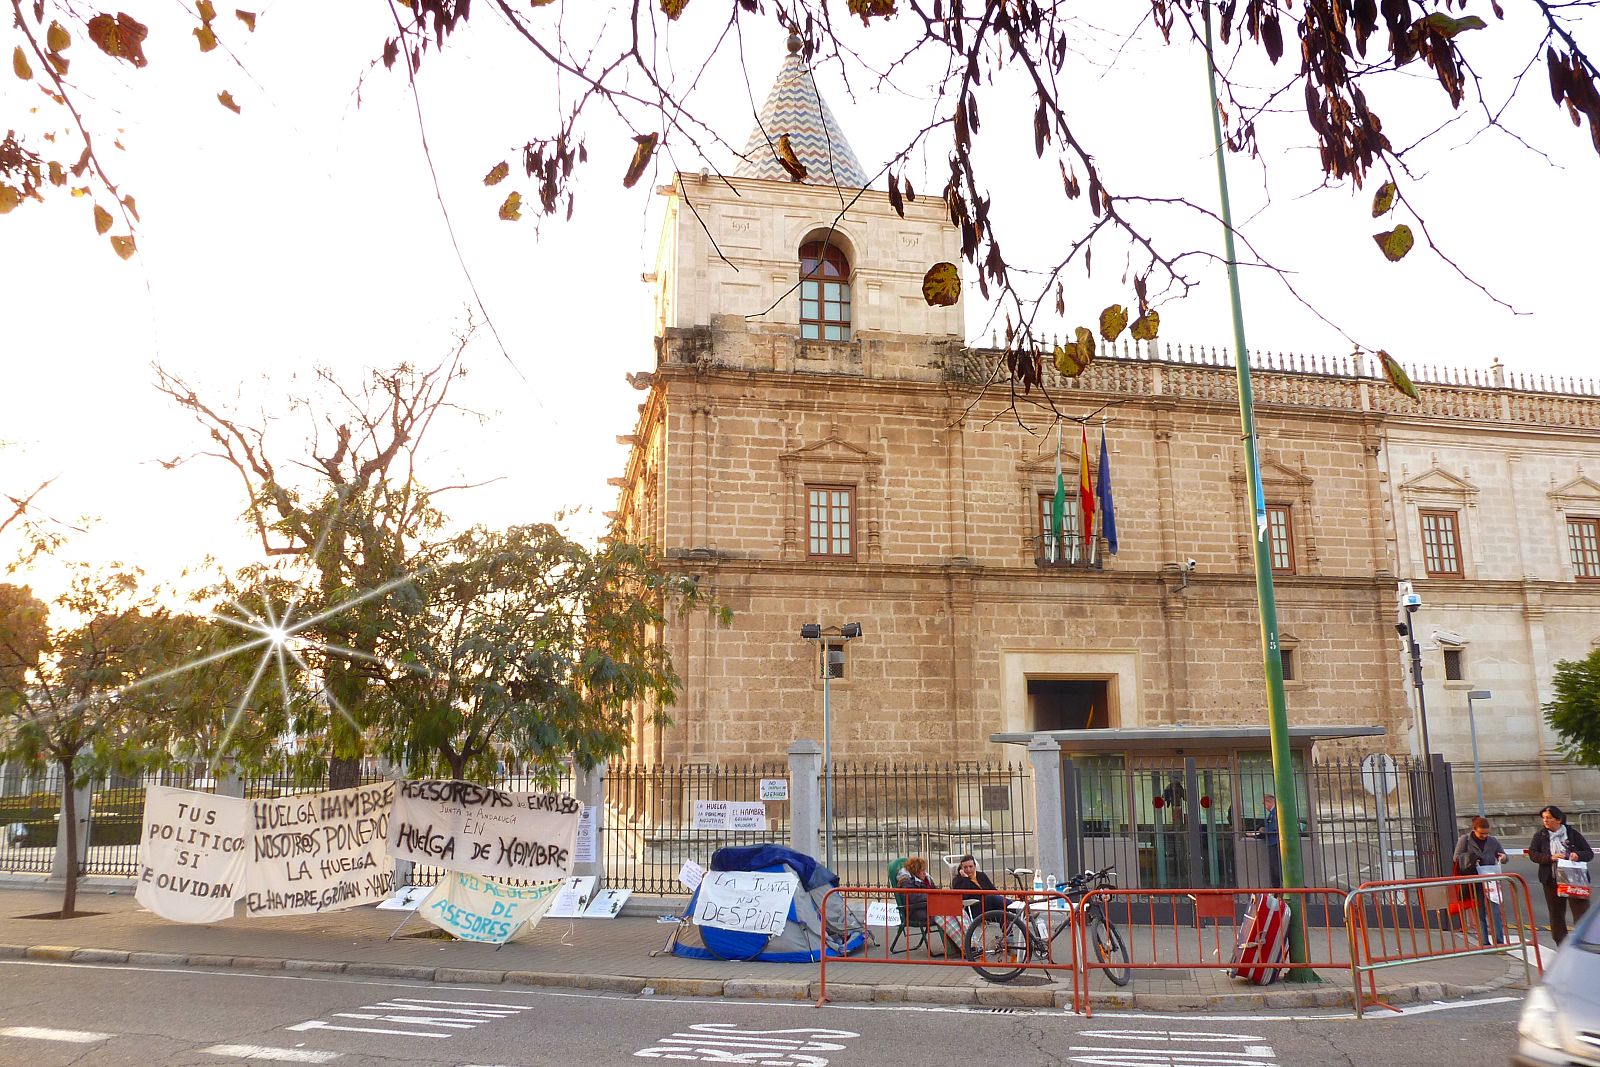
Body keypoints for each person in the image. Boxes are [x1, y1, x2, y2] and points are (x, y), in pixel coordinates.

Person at [1528, 804, 1594, 944]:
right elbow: (1533, 854)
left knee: (1581, 912)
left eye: (1549, 818)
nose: (1545, 821)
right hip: (1551, 879)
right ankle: (1561, 943)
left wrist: (1577, 855)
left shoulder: (1572, 834)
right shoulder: (1540, 835)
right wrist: (1550, 858)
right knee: (1556, 913)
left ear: (1559, 820)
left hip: (1574, 879)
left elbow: (1589, 853)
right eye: (1544, 818)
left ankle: (1584, 941)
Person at [1453, 816, 1509, 945]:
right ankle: (1484, 942)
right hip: (1475, 879)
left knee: (1495, 912)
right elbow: (1456, 857)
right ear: (1474, 830)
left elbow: (1504, 856)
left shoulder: (1493, 841)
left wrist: (1504, 857)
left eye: (1487, 833)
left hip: (1491, 879)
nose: (1484, 836)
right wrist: (1471, 859)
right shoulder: (1465, 840)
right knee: (1480, 911)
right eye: (1481, 833)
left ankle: (1499, 942)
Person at [1247, 794, 1282, 888]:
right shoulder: (1273, 812)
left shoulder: (1276, 812)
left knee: (1276, 868)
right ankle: (1277, 889)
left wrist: (1264, 830)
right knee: (1274, 868)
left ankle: (1278, 889)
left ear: (1269, 802)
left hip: (1274, 843)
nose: (1265, 807)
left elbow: (1276, 828)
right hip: (1272, 842)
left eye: (1265, 804)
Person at [895, 855, 936, 927]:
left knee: (954, 912)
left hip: (929, 909)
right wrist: (932, 896)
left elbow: (937, 892)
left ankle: (956, 937)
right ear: (915, 871)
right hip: (917, 912)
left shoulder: (927, 880)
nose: (924, 873)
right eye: (922, 870)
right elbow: (911, 897)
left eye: (924, 870)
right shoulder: (907, 882)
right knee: (947, 916)